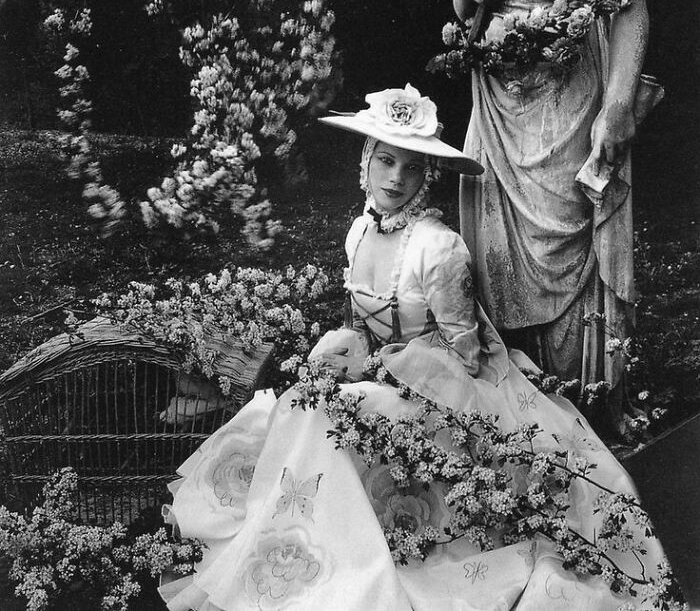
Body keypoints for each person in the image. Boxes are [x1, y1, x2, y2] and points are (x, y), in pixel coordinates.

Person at [159, 84, 672, 611]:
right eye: (385, 162)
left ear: (427, 176)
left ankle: (354, 567)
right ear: (367, 162)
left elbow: (465, 355)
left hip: (444, 392)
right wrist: (344, 348)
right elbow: (358, 323)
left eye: (410, 168)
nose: (395, 179)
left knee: (336, 414)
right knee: (300, 405)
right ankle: (305, 548)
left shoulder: (438, 248)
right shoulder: (359, 232)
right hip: (380, 376)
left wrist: (376, 367)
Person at [453, 0, 648, 407]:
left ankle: (581, 411)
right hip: (499, 108)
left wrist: (618, 105)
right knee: (492, 260)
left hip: (564, 103)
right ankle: (514, 417)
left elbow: (625, 3)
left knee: (563, 248)